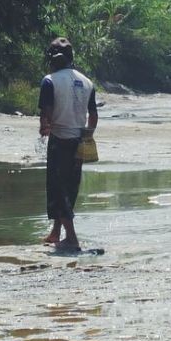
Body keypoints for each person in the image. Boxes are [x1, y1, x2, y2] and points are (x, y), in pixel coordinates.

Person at [38, 37, 97, 251]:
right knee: (70, 189)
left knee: (57, 189)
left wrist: (44, 126)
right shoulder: (87, 82)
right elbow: (93, 115)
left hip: (59, 141)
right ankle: (56, 233)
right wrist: (88, 135)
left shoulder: (49, 80)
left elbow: (47, 112)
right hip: (79, 143)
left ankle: (71, 239)